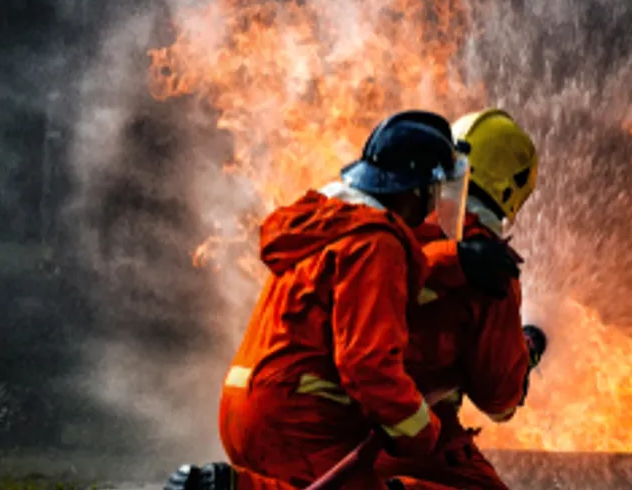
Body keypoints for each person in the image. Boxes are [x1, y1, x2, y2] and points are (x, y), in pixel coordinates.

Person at [165, 111, 471, 490]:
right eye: (433, 190)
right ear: (414, 190)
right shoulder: (378, 245)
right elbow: (368, 364)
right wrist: (423, 433)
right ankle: (223, 488)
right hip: (297, 418)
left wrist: (458, 261)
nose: (434, 205)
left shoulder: (333, 225)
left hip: (243, 406)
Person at [380, 108, 545, 490]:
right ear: (513, 189)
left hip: (327, 422)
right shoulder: (490, 266)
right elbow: (499, 401)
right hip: (410, 432)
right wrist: (526, 353)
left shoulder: (394, 214)